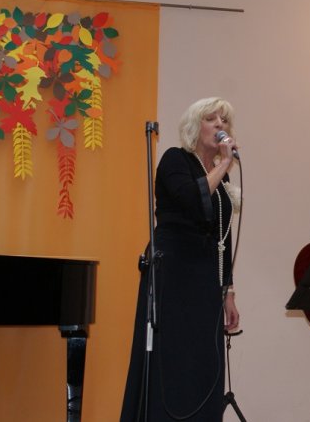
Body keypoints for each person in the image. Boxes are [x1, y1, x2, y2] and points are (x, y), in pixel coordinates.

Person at [120, 97, 241, 422]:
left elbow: (223, 235)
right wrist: (223, 165)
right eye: (212, 119)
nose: (220, 125)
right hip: (172, 272)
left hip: (205, 277)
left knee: (204, 359)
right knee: (173, 358)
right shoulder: (175, 159)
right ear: (194, 126)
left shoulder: (222, 177)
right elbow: (192, 199)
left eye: (224, 120)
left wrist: (228, 290)